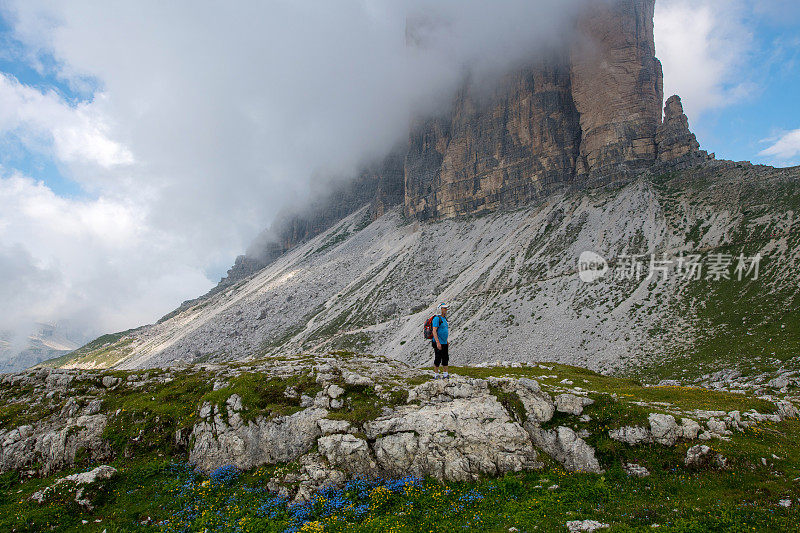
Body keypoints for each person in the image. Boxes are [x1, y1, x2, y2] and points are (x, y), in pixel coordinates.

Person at [432, 302, 449, 378]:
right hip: (438, 342)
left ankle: (445, 374)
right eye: (444, 308)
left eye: (446, 308)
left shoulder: (444, 318)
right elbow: (434, 331)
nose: (446, 309)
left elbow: (444, 330)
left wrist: (447, 340)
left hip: (444, 342)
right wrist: (438, 342)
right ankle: (436, 374)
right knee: (438, 358)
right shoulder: (436, 318)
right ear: (440, 309)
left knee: (445, 358)